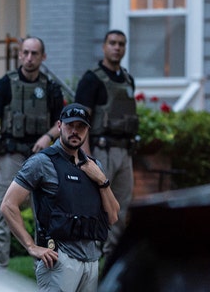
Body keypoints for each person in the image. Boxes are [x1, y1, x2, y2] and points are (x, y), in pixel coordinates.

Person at [1, 103, 120, 292]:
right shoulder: (41, 162)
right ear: (59, 126)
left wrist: (102, 180)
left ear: (87, 130)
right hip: (60, 261)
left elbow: (113, 216)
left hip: (92, 262)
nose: (75, 131)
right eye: (69, 125)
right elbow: (8, 204)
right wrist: (31, 246)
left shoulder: (94, 166)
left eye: (80, 127)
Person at [0, 37, 64, 270]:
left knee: (45, 215)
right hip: (11, 155)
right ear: (19, 55)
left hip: (42, 158)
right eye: (25, 53)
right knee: (3, 211)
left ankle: (47, 265)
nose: (29, 58)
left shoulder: (50, 87)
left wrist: (48, 137)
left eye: (34, 54)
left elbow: (61, 123)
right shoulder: (6, 83)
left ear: (43, 57)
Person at [74, 29, 138, 259]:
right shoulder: (92, 79)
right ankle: (90, 258)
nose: (117, 47)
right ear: (104, 47)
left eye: (121, 43)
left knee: (120, 209)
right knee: (97, 206)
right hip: (102, 151)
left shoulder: (128, 79)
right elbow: (81, 123)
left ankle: (111, 261)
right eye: (112, 43)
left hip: (124, 153)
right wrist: (87, 159)